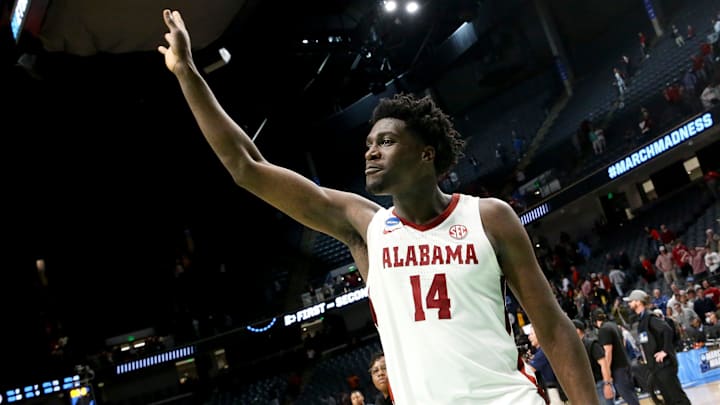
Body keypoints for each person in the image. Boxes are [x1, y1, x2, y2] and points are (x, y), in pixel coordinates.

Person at [158, 9, 598, 404]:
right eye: (368, 143)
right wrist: (187, 73)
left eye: (386, 142)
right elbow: (246, 165)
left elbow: (555, 329)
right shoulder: (365, 227)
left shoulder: (488, 217)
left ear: (426, 153)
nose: (370, 152)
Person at [623, 290, 691, 404]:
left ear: (638, 302)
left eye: (631, 301)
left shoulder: (650, 317)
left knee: (677, 397)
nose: (629, 304)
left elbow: (667, 330)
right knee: (669, 399)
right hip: (656, 367)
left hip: (664, 365)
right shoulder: (642, 320)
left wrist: (665, 351)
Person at [590, 309, 640, 405]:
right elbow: (624, 342)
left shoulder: (603, 330)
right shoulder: (614, 325)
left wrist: (607, 372)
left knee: (627, 395)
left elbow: (608, 351)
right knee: (631, 394)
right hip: (626, 363)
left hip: (618, 368)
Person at [573, 319, 614, 405]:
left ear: (577, 330)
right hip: (589, 387)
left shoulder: (592, 344)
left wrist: (607, 384)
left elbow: (604, 364)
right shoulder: (577, 348)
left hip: (600, 384)